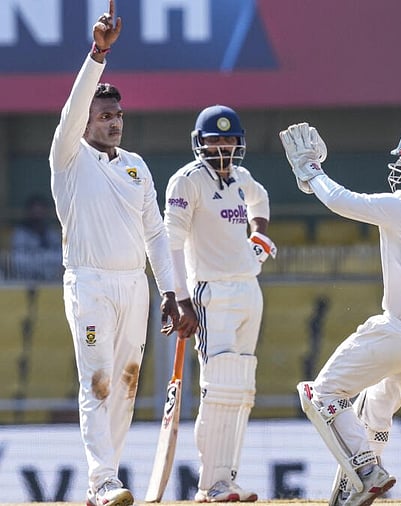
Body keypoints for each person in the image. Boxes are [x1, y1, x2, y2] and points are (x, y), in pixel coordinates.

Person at [279, 123, 401, 506]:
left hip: (398, 331)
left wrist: (311, 173)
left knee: (320, 395)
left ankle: (368, 470)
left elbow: (340, 199)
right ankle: (353, 494)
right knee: (375, 411)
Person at [47, 2, 197, 506]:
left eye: (118, 115)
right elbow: (72, 111)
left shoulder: (136, 167)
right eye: (105, 115)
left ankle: (104, 484)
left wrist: (172, 294)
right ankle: (102, 478)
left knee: (127, 385)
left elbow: (156, 233)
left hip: (135, 285)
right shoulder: (67, 158)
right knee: (99, 380)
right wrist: (98, 55)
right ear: (87, 119)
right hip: (89, 283)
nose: (114, 122)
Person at [164, 104, 275, 502]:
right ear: (200, 144)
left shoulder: (243, 179)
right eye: (215, 141)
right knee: (219, 388)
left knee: (243, 388)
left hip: (249, 290)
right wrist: (180, 300)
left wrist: (258, 238)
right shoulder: (186, 182)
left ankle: (228, 478)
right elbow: (171, 244)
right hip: (210, 293)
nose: (223, 148)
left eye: (229, 140)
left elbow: (260, 203)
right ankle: (211, 484)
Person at [10, 194, 63, 281]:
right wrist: (40, 258)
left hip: (50, 280)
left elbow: (59, 257)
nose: (38, 215)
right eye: (35, 212)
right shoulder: (20, 234)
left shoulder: (52, 233)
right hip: (24, 280)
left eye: (41, 212)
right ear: (29, 213)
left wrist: (44, 257)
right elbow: (17, 259)